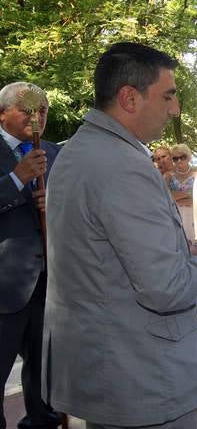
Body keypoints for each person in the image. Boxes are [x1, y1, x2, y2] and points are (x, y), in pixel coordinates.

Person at [43, 42, 197, 429]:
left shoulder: (78, 151)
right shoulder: (123, 166)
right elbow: (165, 288)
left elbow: (104, 255)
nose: (175, 109)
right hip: (140, 376)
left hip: (106, 366)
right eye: (167, 96)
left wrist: (183, 251)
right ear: (130, 98)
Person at [0, 82, 60, 429]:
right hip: (4, 288)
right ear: (3, 114)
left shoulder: (54, 153)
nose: (38, 117)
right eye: (28, 110)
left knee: (43, 379)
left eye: (43, 110)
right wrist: (17, 178)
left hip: (49, 283)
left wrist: (56, 205)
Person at [165, 143, 196, 240]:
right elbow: (166, 197)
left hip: (194, 214)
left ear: (188, 156)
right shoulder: (168, 176)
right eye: (175, 158)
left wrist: (177, 196)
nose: (179, 161)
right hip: (175, 214)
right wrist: (189, 194)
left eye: (182, 157)